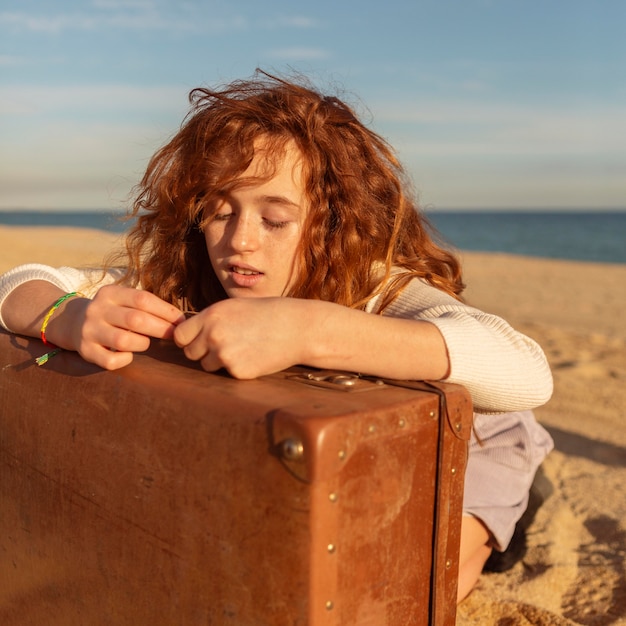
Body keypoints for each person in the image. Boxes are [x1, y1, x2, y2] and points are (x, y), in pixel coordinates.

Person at [0, 70, 553, 603]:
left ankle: (518, 509)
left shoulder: (373, 285)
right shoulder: (186, 277)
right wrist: (65, 316)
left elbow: (526, 371)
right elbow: (17, 284)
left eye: (275, 220)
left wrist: (307, 326)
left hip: (482, 436)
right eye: (219, 213)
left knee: (421, 592)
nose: (239, 241)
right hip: (351, 453)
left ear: (331, 223)